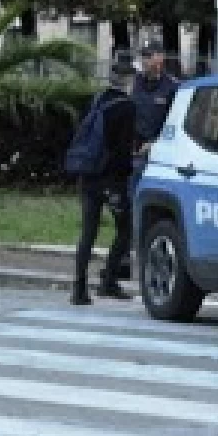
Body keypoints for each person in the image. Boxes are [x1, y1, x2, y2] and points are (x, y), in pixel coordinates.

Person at [71, 58, 138, 306]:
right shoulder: (127, 107)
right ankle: (108, 280)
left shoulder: (97, 100)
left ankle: (79, 288)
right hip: (111, 179)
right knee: (125, 228)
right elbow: (122, 150)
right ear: (128, 80)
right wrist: (127, 172)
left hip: (88, 175)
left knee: (88, 232)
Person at [123, 40, 179, 275]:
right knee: (129, 205)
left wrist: (156, 144)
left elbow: (175, 125)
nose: (146, 61)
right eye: (144, 56)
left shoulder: (172, 88)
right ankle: (125, 257)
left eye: (150, 56)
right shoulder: (135, 84)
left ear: (161, 58)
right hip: (133, 154)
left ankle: (150, 260)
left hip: (158, 157)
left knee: (151, 210)